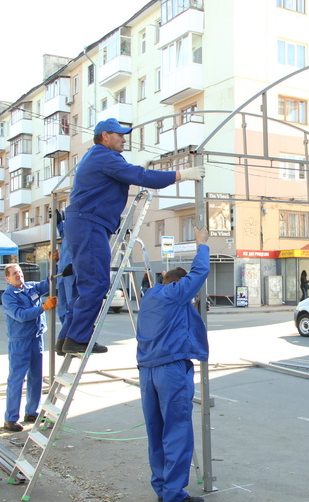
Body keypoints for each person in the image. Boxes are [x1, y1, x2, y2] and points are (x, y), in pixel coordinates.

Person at [63, 118, 204, 354]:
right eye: (119, 134)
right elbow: (141, 177)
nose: (124, 138)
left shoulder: (98, 157)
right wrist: (182, 174)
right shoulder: (103, 156)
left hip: (87, 223)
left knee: (86, 283)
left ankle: (67, 337)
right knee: (96, 284)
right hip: (89, 224)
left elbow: (132, 173)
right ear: (105, 136)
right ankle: (76, 338)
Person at [136, 226, 210, 502]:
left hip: (147, 372)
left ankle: (163, 488)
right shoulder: (175, 294)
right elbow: (199, 272)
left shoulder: (150, 298)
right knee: (177, 431)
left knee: (156, 432)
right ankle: (175, 496)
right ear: (177, 284)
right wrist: (201, 243)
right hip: (170, 370)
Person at [2, 263, 57, 431]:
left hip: (35, 338)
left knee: (36, 377)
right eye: (15, 274)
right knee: (16, 379)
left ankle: (31, 412)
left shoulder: (31, 287)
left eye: (19, 272)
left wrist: (53, 264)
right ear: (8, 278)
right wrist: (43, 307)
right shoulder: (9, 296)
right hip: (20, 341)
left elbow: (49, 282)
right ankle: (10, 419)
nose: (19, 275)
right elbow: (20, 315)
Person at [54, 211, 75, 356]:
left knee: (72, 307)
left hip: (73, 270)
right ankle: (65, 338)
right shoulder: (69, 225)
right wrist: (58, 223)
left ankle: (65, 339)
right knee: (64, 307)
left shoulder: (83, 223)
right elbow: (64, 232)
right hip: (63, 270)